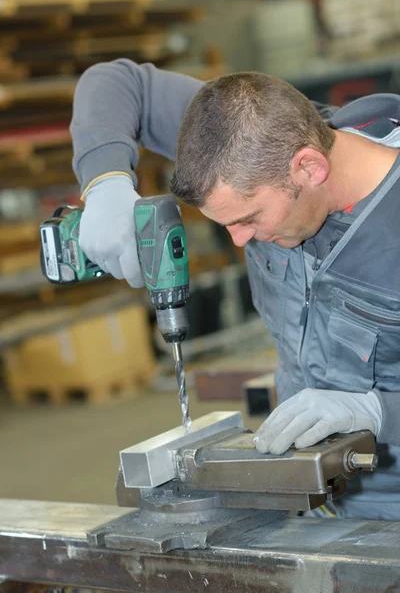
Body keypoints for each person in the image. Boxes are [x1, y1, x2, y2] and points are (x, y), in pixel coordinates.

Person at [71, 60, 400, 521]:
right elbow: (118, 82)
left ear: (309, 167)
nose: (239, 241)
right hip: (305, 491)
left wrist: (376, 410)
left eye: (248, 219)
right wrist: (105, 181)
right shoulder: (248, 133)